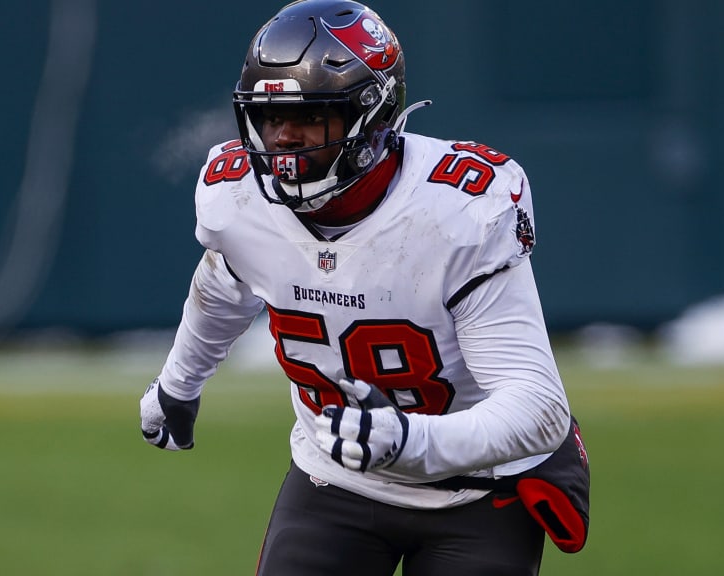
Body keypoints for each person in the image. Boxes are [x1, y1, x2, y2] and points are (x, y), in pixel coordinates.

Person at [139, 1, 590, 574]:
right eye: (269, 117)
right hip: (336, 478)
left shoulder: (458, 212)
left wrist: (408, 441)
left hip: (476, 491)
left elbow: (540, 410)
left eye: (309, 118)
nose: (281, 140)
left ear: (371, 118)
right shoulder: (239, 199)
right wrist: (179, 384)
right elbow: (225, 284)